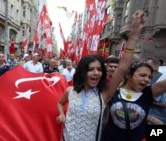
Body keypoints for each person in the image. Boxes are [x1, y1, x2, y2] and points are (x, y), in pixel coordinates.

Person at [56, 10, 147, 141]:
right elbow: (60, 103)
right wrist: (61, 114)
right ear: (82, 72)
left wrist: (135, 31)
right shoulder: (70, 91)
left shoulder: (104, 95)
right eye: (91, 69)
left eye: (99, 69)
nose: (96, 73)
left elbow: (123, 67)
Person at [146, 56, 166, 124]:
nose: (153, 73)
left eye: (155, 71)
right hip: (152, 117)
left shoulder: (161, 76)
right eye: (151, 69)